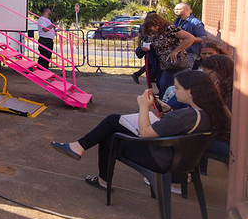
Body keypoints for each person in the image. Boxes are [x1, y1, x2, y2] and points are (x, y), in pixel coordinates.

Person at [49, 70, 230, 190]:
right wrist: (167, 111)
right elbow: (177, 126)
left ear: (192, 92)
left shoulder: (185, 116)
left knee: (111, 134)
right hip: (179, 159)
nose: (174, 91)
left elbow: (145, 134)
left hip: (162, 159)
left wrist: (143, 106)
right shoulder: (207, 113)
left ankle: (94, 167)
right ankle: (82, 152)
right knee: (112, 125)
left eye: (178, 88)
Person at [142, 12, 196, 98]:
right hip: (165, 64)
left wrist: (176, 51)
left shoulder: (170, 29)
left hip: (177, 62)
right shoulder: (152, 33)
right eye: (150, 26)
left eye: (155, 26)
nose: (153, 28)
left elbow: (191, 38)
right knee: (163, 85)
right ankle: (165, 105)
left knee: (181, 85)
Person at [200, 54, 234, 165]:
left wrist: (216, 96)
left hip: (232, 144)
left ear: (219, 73)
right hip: (222, 136)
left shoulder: (234, 96)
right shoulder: (225, 90)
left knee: (190, 141)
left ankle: (180, 174)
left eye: (208, 75)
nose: (206, 79)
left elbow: (224, 122)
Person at [172, 2, 206, 68]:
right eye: (175, 9)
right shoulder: (176, 21)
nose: (176, 11)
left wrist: (189, 39)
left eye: (179, 9)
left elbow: (203, 38)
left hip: (189, 53)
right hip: (177, 51)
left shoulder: (196, 23)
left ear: (187, 10)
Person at [132, 11, 159, 85]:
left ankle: (139, 74)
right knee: (150, 62)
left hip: (146, 46)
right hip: (148, 47)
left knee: (150, 63)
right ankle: (141, 75)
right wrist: (139, 48)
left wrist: (138, 46)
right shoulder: (144, 26)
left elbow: (139, 37)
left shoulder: (142, 25)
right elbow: (139, 37)